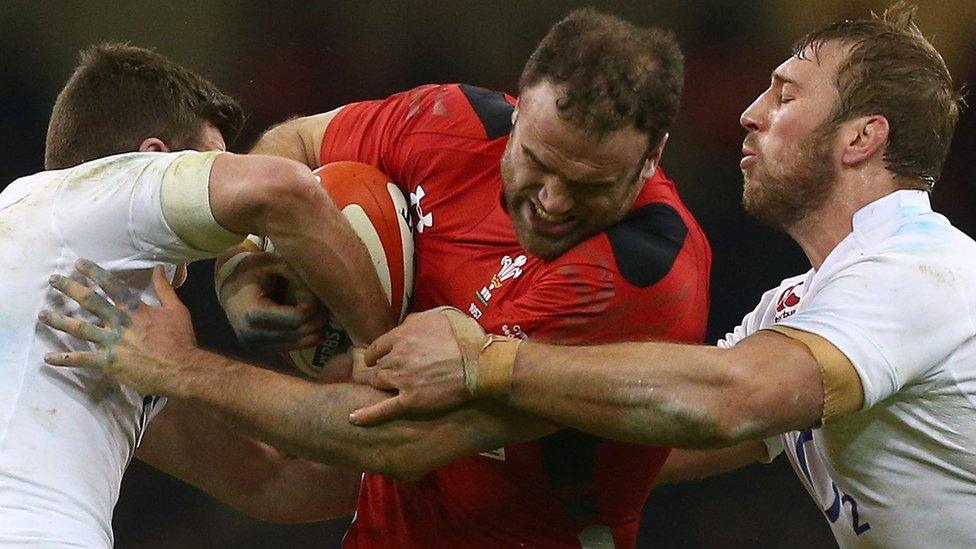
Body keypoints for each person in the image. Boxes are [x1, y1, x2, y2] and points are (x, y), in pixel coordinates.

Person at [40, 9, 712, 548]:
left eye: (590, 183)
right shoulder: (453, 121)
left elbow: (399, 441)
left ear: (652, 155)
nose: (554, 200)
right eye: (536, 160)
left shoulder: (644, 273)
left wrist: (183, 368)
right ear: (518, 110)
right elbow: (291, 147)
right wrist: (246, 261)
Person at [344, 4, 975, 547]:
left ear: (861, 137)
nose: (750, 114)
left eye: (785, 95)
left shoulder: (919, 270)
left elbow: (730, 399)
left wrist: (486, 362)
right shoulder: (801, 307)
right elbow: (646, 440)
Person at [0, 43, 394, 547]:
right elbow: (281, 189)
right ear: (153, 162)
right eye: (212, 165)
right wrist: (383, 350)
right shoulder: (84, 197)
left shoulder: (77, 313)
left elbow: (272, 483)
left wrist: (430, 447)